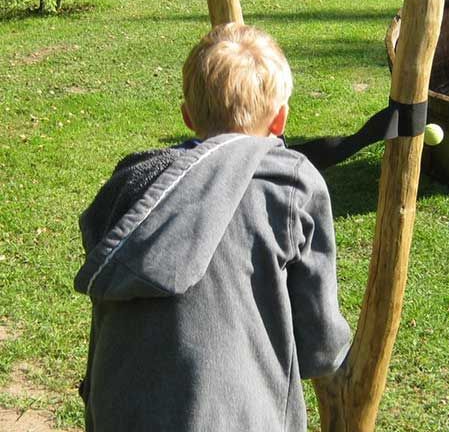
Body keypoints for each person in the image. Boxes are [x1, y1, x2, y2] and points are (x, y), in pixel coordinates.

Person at [74, 23, 351, 432]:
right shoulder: (289, 184)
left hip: (121, 413)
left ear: (187, 116)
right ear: (280, 120)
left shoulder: (132, 185)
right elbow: (321, 348)